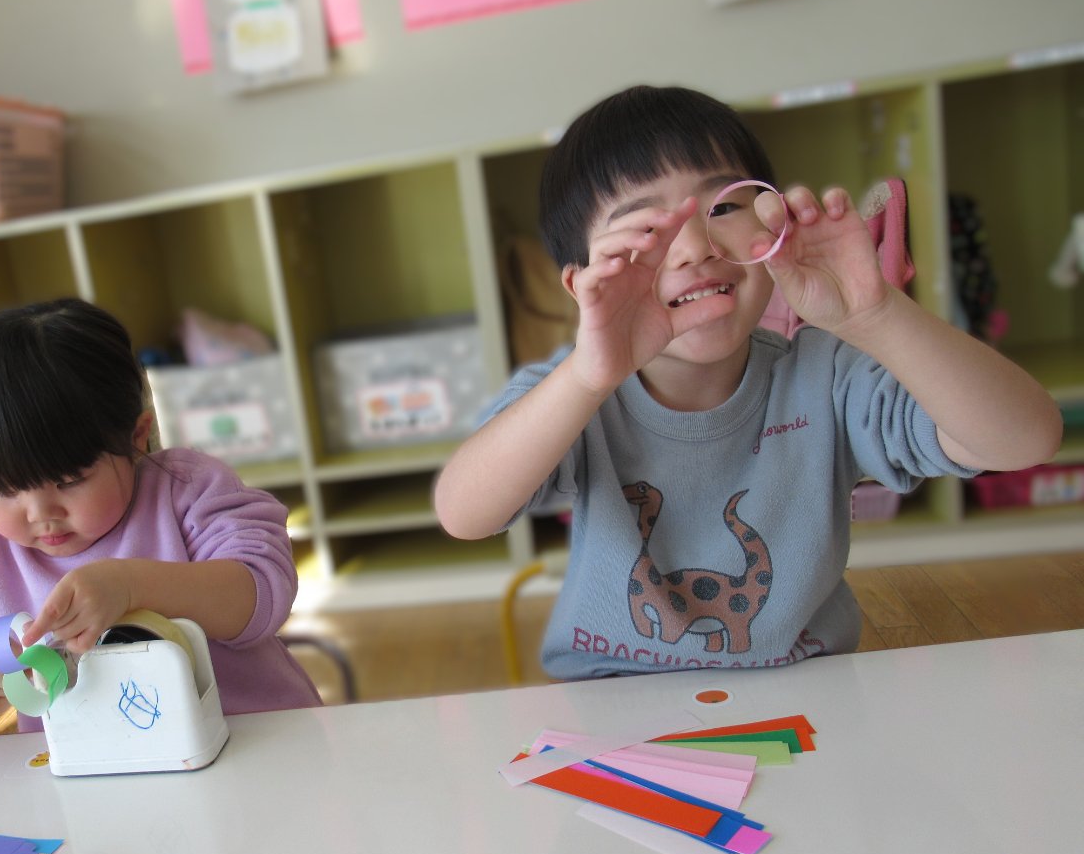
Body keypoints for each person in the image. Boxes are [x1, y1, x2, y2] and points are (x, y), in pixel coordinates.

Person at [434, 85, 1062, 679]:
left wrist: (877, 317)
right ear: (581, 285)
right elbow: (464, 514)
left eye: (725, 207)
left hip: (804, 688)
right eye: (645, 230)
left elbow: (1026, 439)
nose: (694, 246)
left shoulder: (825, 375)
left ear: (772, 221)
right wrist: (587, 376)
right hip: (614, 694)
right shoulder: (572, 393)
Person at [0, 298, 321, 744]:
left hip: (262, 749)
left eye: (69, 481)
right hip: (97, 782)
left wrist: (131, 586)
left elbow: (263, 592)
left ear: (136, 437)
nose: (39, 514)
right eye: (3, 490)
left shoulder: (184, 488)